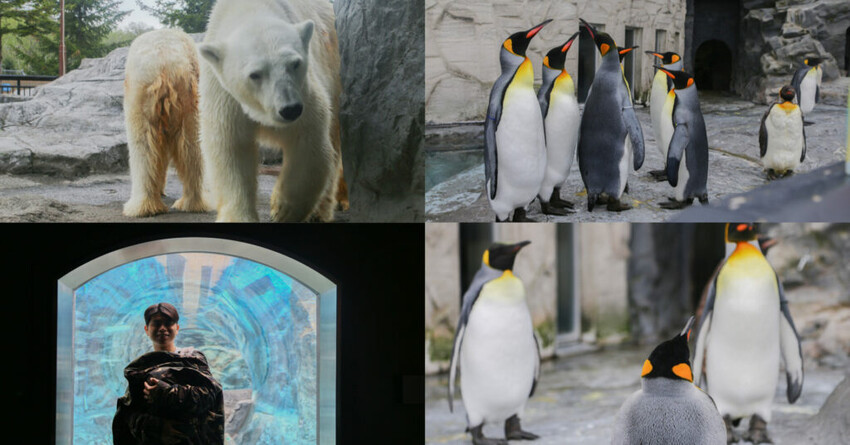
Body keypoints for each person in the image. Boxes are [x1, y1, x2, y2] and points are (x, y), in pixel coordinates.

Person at [113, 302, 225, 445]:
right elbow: (129, 414)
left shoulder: (192, 359)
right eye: (157, 323)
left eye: (168, 323)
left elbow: (210, 396)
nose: (162, 328)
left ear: (177, 328)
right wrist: (157, 428)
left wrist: (167, 393)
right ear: (147, 329)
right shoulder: (139, 368)